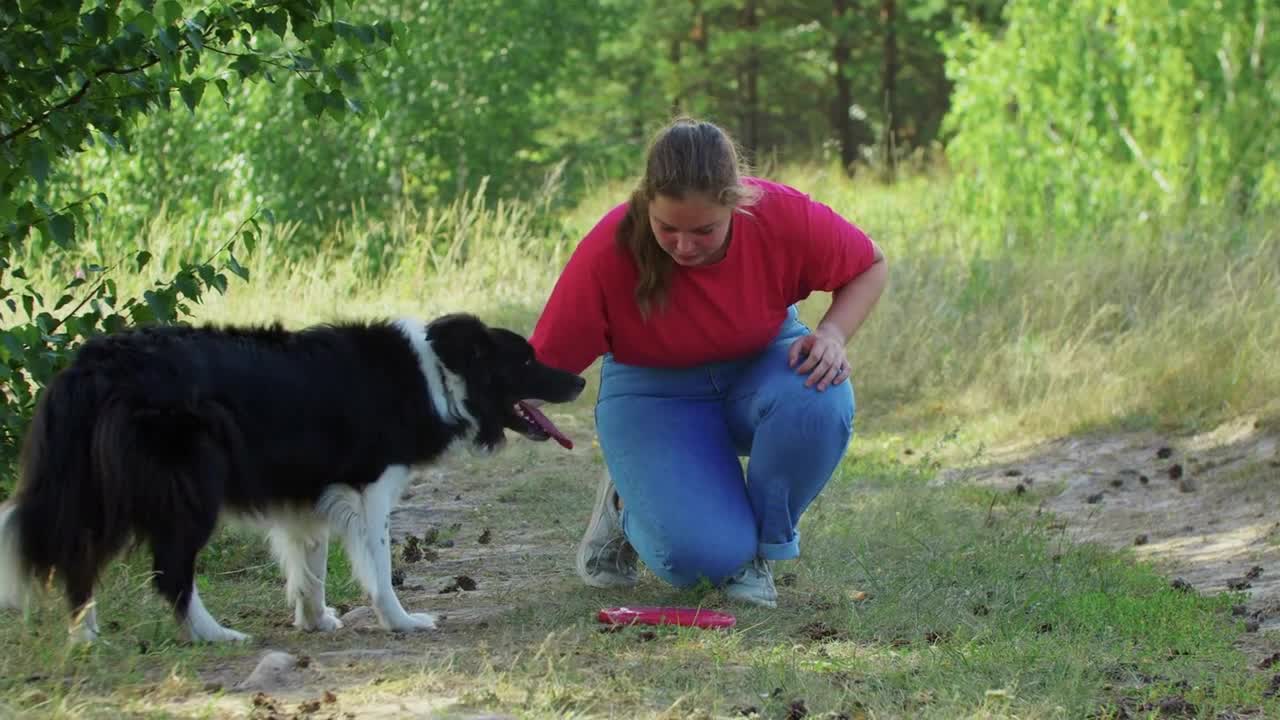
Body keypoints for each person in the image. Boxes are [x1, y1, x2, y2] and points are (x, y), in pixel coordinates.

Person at [528, 117, 888, 607]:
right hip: (655, 393)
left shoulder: (780, 215)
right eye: (667, 228)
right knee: (695, 560)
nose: (683, 245)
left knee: (819, 398)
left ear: (736, 205)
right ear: (646, 204)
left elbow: (870, 264)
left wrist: (832, 334)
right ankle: (625, 504)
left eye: (704, 230)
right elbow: (546, 359)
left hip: (761, 366)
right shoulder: (609, 246)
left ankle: (754, 553)